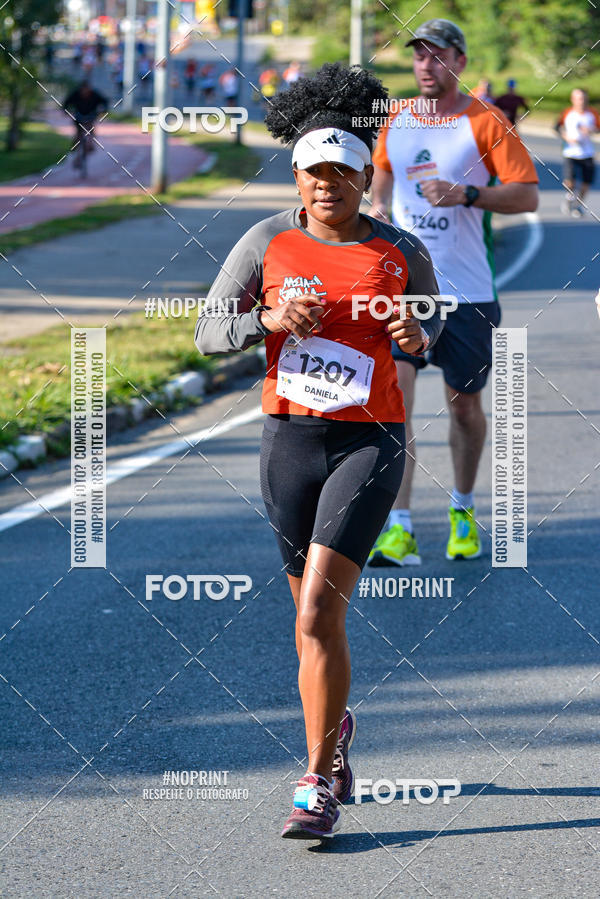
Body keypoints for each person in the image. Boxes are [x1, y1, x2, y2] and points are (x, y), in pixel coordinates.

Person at [195, 62, 443, 839]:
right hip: (289, 441)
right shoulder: (266, 239)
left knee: (315, 610)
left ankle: (314, 785)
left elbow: (435, 325)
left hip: (370, 441)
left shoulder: (399, 250)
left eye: (343, 172)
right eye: (314, 172)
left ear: (367, 177)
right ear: (297, 178)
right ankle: (334, 745)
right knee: (311, 626)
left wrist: (418, 335)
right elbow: (207, 332)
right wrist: (267, 320)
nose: (328, 185)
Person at [369, 18, 538, 566]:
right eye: (418, 55)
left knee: (464, 409)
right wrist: (376, 210)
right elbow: (383, 174)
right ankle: (399, 527)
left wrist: (467, 194)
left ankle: (462, 512)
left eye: (436, 55)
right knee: (393, 406)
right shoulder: (396, 117)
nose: (425, 65)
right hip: (405, 291)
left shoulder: (486, 122)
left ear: (459, 62)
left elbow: (526, 198)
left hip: (468, 293)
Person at [556, 88, 600, 218]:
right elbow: (557, 127)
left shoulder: (592, 113)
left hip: (587, 153)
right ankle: (569, 198)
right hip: (571, 152)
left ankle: (578, 205)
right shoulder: (567, 113)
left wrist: (592, 130)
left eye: (584, 98)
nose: (581, 101)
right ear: (573, 99)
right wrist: (567, 137)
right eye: (578, 98)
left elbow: (598, 128)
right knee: (570, 181)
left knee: (586, 182)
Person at [63, 80, 108, 164]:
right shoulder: (75, 94)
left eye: (87, 89)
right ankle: (75, 148)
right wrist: (65, 110)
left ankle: (90, 144)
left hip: (91, 116)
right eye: (83, 90)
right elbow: (66, 102)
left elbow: (104, 101)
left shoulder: (95, 94)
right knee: (78, 133)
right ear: (80, 89)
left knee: (91, 130)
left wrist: (104, 109)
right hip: (78, 116)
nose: (85, 92)